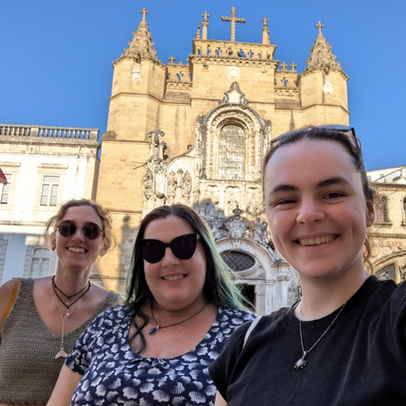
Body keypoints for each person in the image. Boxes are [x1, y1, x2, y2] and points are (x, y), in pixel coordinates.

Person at [210, 125, 406, 405]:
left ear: (370, 209)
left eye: (333, 194)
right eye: (286, 200)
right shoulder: (243, 346)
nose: (308, 215)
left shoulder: (397, 318)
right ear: (267, 218)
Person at [48, 204, 255, 406]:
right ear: (141, 261)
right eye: (153, 249)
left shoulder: (247, 335)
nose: (169, 260)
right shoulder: (106, 325)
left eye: (183, 245)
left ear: (207, 253)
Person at [0, 199, 121, 406]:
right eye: (67, 228)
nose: (78, 237)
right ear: (54, 239)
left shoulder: (116, 311)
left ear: (104, 245)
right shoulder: (12, 294)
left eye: (90, 231)